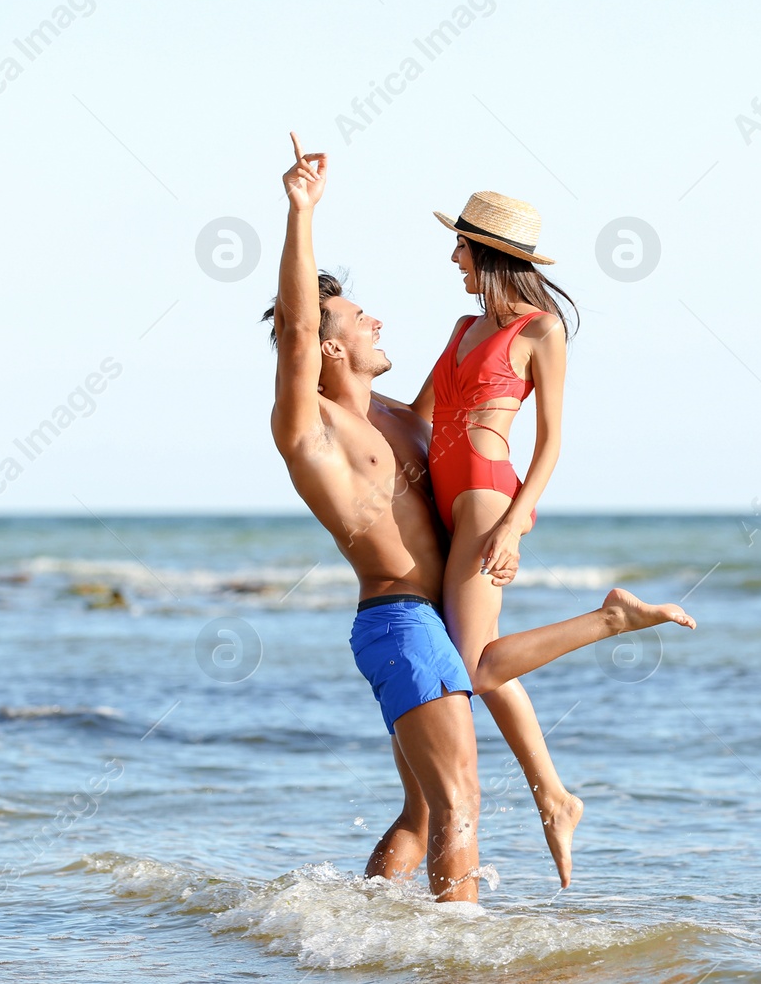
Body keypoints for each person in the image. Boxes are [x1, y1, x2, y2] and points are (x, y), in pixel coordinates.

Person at [262, 133, 694, 902]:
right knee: (463, 800)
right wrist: (301, 212)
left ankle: (360, 940)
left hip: (425, 612)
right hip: (401, 617)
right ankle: (457, 954)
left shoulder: (401, 418)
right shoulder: (311, 426)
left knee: (426, 809)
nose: (378, 323)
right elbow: (296, 331)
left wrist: (516, 508)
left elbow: (480, 411)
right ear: (329, 344)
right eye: (360, 319)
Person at [407, 191, 583, 887]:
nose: (454, 258)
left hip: (487, 498)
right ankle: (552, 796)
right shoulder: (460, 327)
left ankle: (555, 795)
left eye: (462, 247)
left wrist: (514, 520)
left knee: (476, 667)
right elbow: (418, 413)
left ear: (491, 254)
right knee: (473, 661)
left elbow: (552, 444)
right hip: (447, 498)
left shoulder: (542, 332)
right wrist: (328, 385)